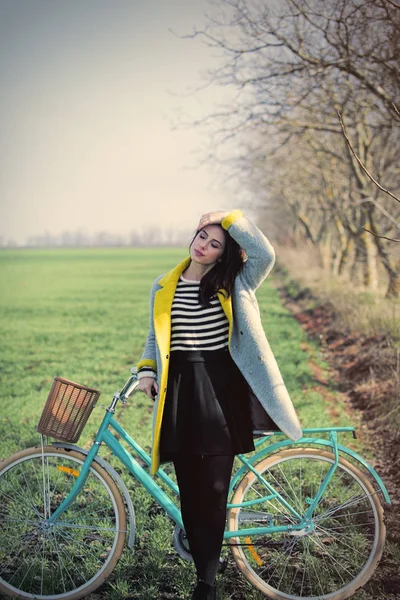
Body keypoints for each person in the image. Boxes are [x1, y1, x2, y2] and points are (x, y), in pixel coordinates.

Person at [136, 209, 302, 600]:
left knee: (212, 488)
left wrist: (229, 218)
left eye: (215, 244)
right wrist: (147, 370)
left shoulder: (235, 280)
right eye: (202, 237)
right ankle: (205, 564)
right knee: (190, 492)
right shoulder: (163, 286)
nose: (204, 246)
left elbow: (265, 255)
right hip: (180, 390)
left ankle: (206, 583)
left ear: (223, 253)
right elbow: (153, 336)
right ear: (192, 237)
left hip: (219, 388)